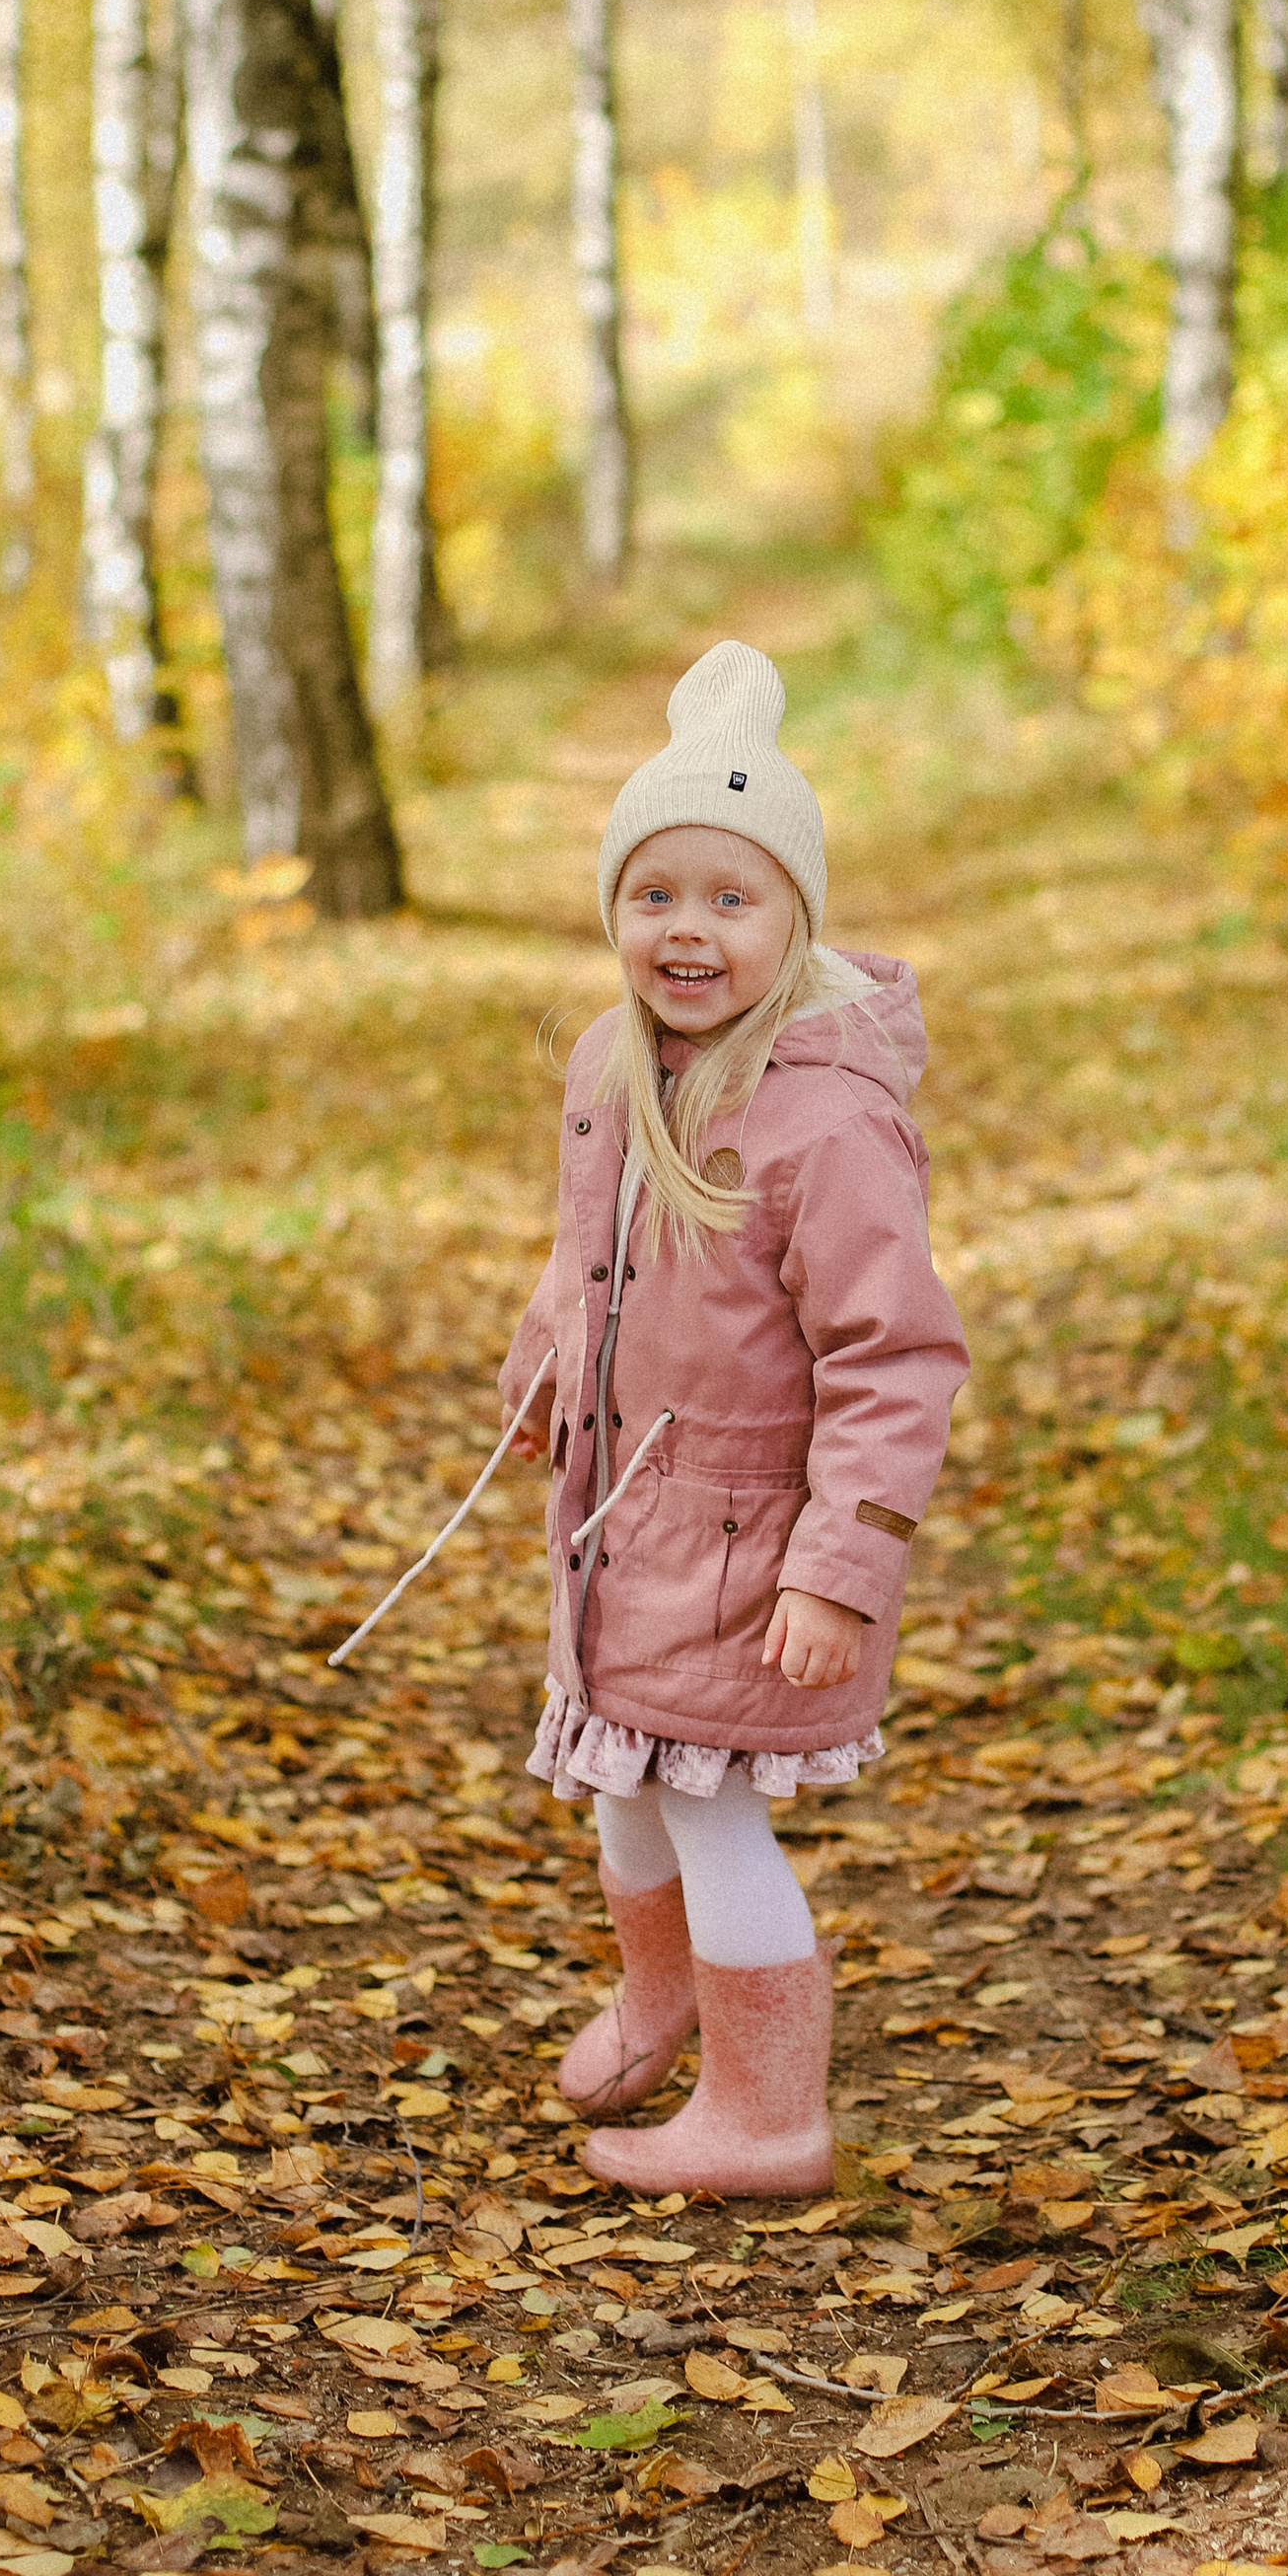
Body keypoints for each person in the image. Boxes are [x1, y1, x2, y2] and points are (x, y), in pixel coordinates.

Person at [497, 641, 968, 2195]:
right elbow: (588, 1254)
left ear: (797, 920)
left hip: (751, 1544)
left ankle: (770, 2115)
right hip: (625, 1518)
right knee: (619, 1780)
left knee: (710, 1818)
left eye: (732, 897)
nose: (687, 930)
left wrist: (843, 1566)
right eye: (656, 895)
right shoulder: (615, 1064)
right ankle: (662, 1994)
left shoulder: (826, 1119)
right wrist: (545, 1367)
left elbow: (894, 1355)